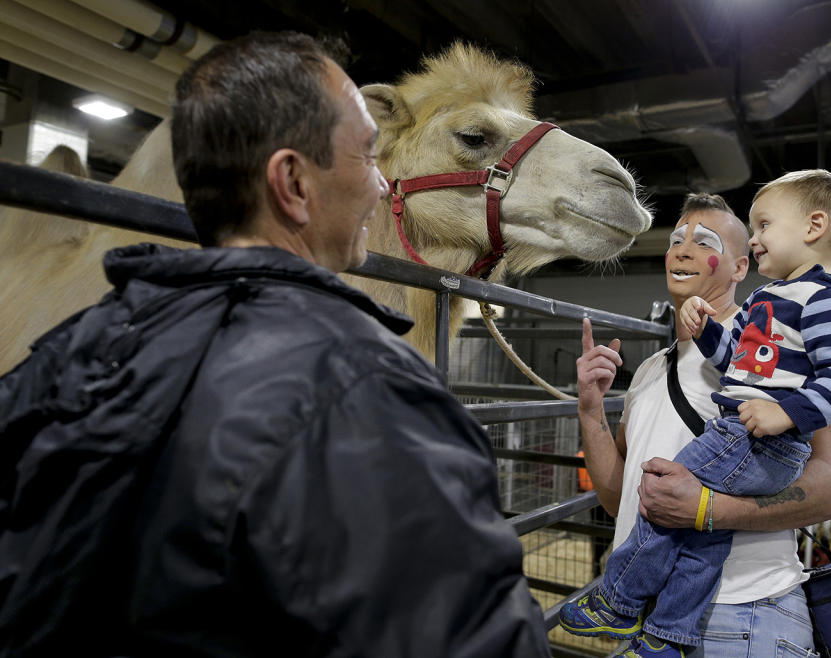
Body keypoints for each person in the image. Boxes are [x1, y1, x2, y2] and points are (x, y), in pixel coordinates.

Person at [0, 32, 552, 657]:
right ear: (292, 181)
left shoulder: (57, 357)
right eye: (369, 157)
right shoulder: (366, 392)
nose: (380, 187)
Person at [565, 190, 831, 658]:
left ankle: (617, 600)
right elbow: (620, 496)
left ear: (741, 268)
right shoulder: (649, 371)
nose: (682, 250)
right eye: (675, 240)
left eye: (704, 242)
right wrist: (589, 409)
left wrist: (708, 511)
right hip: (653, 624)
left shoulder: (780, 353)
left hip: (742, 614)